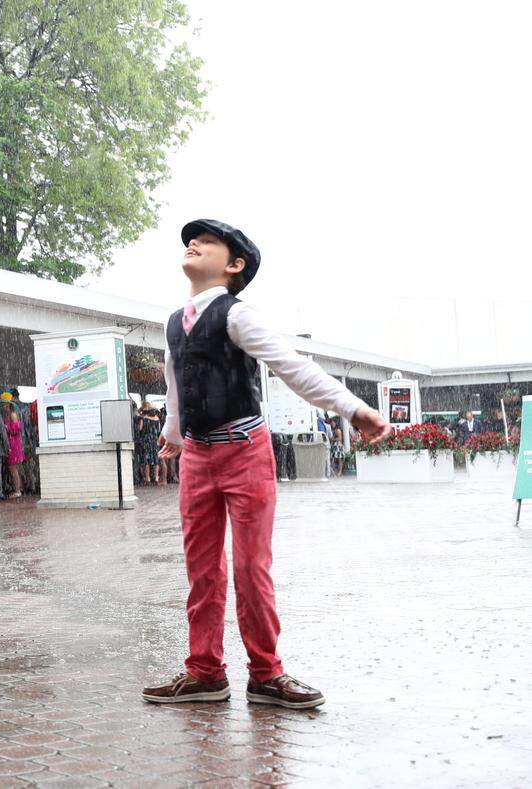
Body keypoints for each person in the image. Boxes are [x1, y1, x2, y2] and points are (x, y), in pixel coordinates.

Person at [142, 219, 391, 710]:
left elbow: (291, 365)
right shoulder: (174, 322)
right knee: (201, 569)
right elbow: (174, 382)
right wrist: (172, 432)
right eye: (191, 240)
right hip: (196, 455)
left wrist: (352, 409)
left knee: (250, 567)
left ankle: (266, 674)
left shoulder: (237, 315)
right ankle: (205, 673)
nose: (193, 244)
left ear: (235, 266)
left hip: (245, 450)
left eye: (207, 242)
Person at [135, 403, 161, 484]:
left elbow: (140, 429)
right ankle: (156, 478)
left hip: (146, 441)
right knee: (156, 460)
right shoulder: (157, 419)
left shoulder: (143, 418)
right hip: (155, 441)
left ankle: (148, 478)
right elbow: (159, 431)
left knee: (147, 460)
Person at [3, 402, 24, 497]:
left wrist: (7, 428)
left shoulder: (13, 415)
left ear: (9, 405)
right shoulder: (8, 415)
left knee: (13, 468)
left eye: (5, 405)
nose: (4, 407)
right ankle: (18, 489)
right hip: (11, 443)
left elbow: (16, 429)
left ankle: (18, 490)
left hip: (14, 444)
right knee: (13, 468)